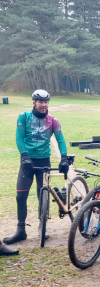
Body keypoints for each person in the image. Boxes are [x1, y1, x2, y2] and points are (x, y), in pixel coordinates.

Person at [3, 90, 69, 245]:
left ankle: (42, 226)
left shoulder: (53, 120)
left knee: (43, 196)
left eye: (46, 102)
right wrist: (25, 156)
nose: (44, 105)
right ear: (34, 102)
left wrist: (64, 158)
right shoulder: (24, 117)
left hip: (44, 161)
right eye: (40, 102)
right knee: (21, 196)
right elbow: (19, 138)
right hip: (27, 161)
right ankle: (20, 230)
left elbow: (61, 140)